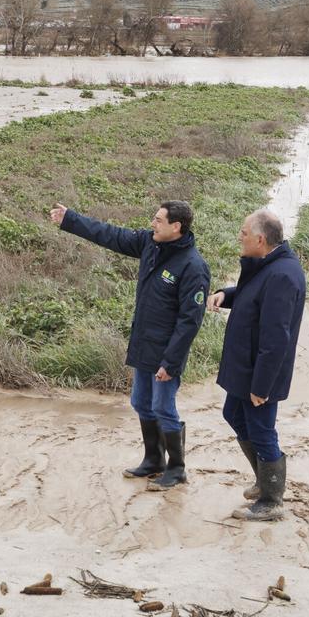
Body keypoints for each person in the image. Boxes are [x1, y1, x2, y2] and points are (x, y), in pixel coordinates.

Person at [50, 200, 210, 490]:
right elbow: (110, 234)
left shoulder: (194, 267)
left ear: (176, 226)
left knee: (164, 407)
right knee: (140, 403)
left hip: (165, 354)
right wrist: (70, 219)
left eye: (158, 220)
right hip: (143, 344)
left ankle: (176, 468)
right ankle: (153, 460)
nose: (153, 223)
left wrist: (171, 363)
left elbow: (190, 322)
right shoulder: (150, 244)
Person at [207, 209, 306, 521]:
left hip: (260, 373)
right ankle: (264, 481)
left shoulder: (283, 275)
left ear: (261, 240)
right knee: (233, 413)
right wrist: (227, 294)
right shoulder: (269, 266)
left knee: (261, 430)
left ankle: (271, 499)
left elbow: (276, 338)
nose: (240, 237)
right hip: (246, 368)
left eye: (244, 233)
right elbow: (254, 294)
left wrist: (262, 387)